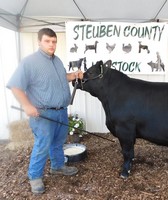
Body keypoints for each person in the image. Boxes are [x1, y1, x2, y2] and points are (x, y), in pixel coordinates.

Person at [7, 28, 83, 194]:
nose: (51, 44)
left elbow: (62, 77)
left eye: (54, 41)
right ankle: (34, 177)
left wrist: (75, 75)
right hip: (43, 114)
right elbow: (15, 86)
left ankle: (57, 166)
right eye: (47, 41)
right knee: (42, 145)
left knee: (58, 142)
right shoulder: (29, 62)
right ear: (39, 41)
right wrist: (27, 105)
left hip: (61, 111)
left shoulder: (57, 61)